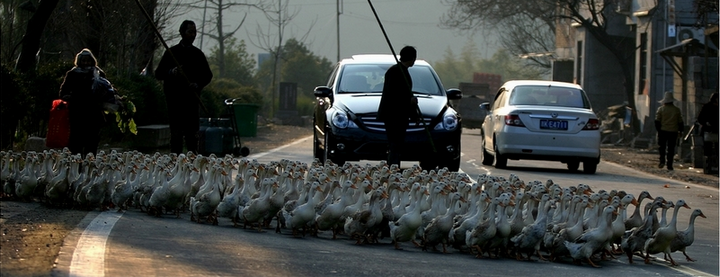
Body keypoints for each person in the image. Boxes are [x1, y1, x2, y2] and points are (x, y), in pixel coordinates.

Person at [155, 20, 213, 154]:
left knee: (192, 135)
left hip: (191, 100)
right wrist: (171, 72)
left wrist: (197, 84)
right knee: (176, 134)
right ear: (182, 33)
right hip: (174, 100)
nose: (193, 35)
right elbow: (158, 73)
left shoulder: (198, 54)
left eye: (194, 32)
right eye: (190, 32)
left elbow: (207, 75)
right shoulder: (171, 53)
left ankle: (192, 165)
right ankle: (176, 164)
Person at [59, 48, 110, 157]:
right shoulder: (72, 74)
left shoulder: (98, 74)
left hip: (94, 112)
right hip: (77, 112)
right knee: (76, 139)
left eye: (88, 61)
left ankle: (89, 164)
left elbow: (107, 89)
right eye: (84, 61)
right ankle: (76, 163)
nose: (86, 63)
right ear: (79, 61)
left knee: (92, 140)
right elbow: (64, 91)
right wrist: (67, 97)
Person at [377, 46, 418, 167]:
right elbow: (392, 94)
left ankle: (394, 164)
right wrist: (409, 101)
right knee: (395, 143)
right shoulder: (394, 71)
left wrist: (413, 114)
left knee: (398, 143)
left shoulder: (403, 71)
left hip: (401, 115)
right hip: (393, 115)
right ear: (412, 58)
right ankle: (393, 166)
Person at [655, 91, 684, 170]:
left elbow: (657, 121)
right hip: (673, 132)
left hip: (663, 131)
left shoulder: (661, 109)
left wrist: (658, 130)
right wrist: (680, 131)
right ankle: (669, 164)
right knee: (671, 148)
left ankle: (662, 161)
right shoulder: (676, 110)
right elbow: (680, 121)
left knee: (662, 147)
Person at [697, 92, 718, 163]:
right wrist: (706, 123)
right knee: (707, 149)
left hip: (717, 130)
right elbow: (700, 118)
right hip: (707, 131)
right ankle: (708, 163)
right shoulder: (706, 107)